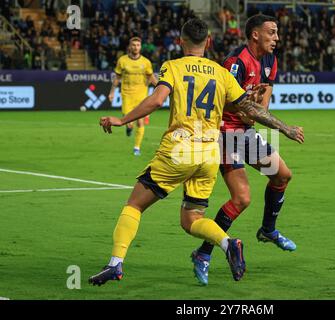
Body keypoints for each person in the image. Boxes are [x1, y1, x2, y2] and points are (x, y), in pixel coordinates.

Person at [88, 18, 304, 286]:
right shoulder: (223, 70)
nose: (277, 37)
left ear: (180, 41)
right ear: (209, 42)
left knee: (134, 205)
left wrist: (121, 120)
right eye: (272, 32)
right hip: (212, 152)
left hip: (182, 150)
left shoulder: (172, 67)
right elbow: (249, 108)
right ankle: (226, 244)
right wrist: (284, 129)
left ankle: (115, 264)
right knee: (194, 218)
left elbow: (156, 100)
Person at [191, 14, 298, 286]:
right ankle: (203, 254)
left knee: (282, 175)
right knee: (241, 199)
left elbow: (263, 103)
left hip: (246, 132)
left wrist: (254, 110)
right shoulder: (235, 62)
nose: (276, 38)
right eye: (272, 33)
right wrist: (278, 125)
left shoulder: (270, 61)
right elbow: (224, 102)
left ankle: (268, 230)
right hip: (225, 134)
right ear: (255, 35)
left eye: (277, 33)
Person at [109, 37, 158, 156]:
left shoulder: (146, 62)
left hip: (141, 96)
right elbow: (117, 78)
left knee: (140, 123)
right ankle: (129, 128)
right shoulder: (122, 60)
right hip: (127, 95)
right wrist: (112, 92)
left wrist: (160, 88)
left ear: (140, 47)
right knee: (128, 122)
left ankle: (137, 147)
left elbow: (150, 77)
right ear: (129, 47)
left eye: (138, 45)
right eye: (133, 45)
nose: (136, 47)